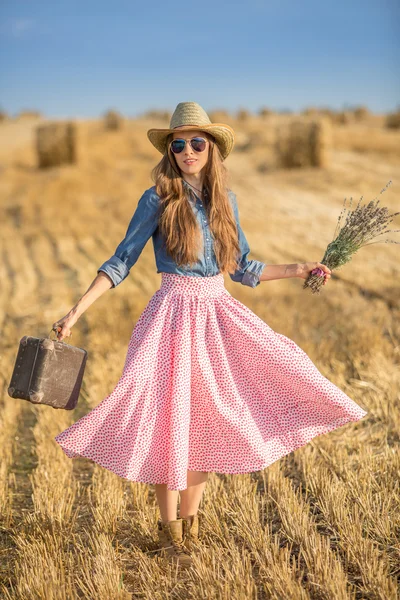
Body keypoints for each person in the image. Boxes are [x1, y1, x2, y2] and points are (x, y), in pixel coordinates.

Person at [53, 101, 368, 569]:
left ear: (213, 148)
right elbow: (121, 260)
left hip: (215, 314)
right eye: (178, 144)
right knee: (167, 421)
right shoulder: (156, 199)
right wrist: (76, 310)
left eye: (196, 143)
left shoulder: (226, 202)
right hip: (171, 316)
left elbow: (244, 268)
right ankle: (168, 531)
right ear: (170, 151)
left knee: (204, 420)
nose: (186, 151)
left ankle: (193, 523)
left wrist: (300, 267)